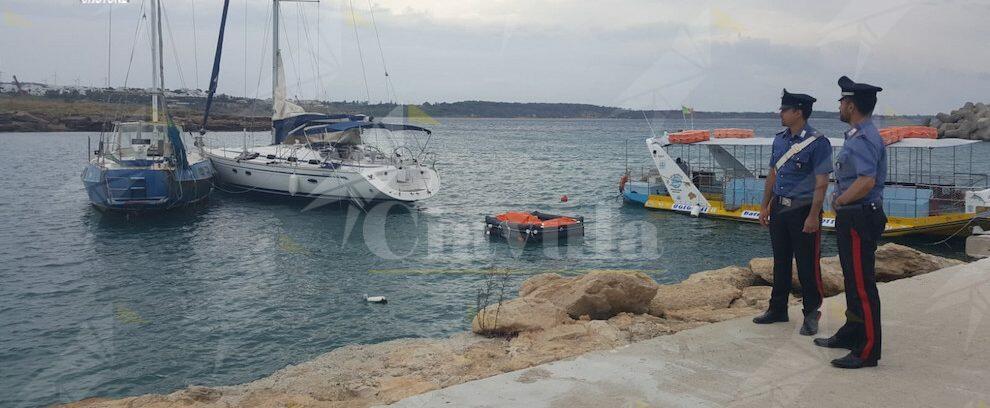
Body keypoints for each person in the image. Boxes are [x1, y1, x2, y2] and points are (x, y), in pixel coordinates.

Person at [814, 76, 887, 369]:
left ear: (852, 104)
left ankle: (868, 350)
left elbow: (867, 180)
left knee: (862, 285)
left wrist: (841, 200)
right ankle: (852, 332)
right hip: (853, 215)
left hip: (859, 215)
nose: (840, 106)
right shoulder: (857, 134)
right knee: (852, 280)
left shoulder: (865, 138)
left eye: (842, 101)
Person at [753, 89, 832, 336]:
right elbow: (773, 174)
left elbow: (822, 182)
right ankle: (778, 308)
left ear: (798, 112)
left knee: (807, 264)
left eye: (785, 110)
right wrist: (765, 205)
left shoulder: (819, 143)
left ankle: (811, 313)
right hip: (779, 206)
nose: (781, 114)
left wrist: (813, 215)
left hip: (803, 209)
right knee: (781, 260)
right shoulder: (780, 140)